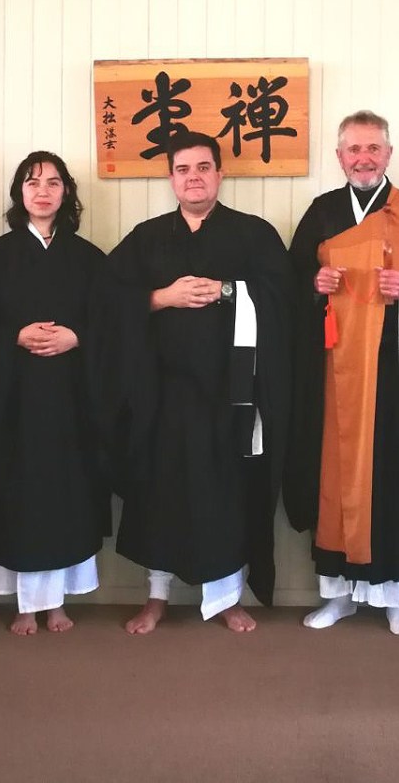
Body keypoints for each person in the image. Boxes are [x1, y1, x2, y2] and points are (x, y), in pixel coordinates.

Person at [99, 131, 291, 634]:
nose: (194, 178)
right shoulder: (147, 237)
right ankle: (156, 597)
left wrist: (228, 291)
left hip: (231, 395)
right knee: (158, 495)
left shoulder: (253, 234)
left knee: (225, 497)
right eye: (183, 169)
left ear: (220, 174)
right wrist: (160, 297)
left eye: (204, 167)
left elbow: (283, 297)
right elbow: (107, 298)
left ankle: (225, 598)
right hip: (162, 395)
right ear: (171, 178)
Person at [285, 110, 399, 636]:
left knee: (394, 480)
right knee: (334, 479)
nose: (363, 159)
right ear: (339, 157)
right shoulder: (322, 213)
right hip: (335, 375)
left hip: (396, 378)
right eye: (353, 149)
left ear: (388, 154)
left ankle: (396, 599)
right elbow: (288, 283)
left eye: (373, 149)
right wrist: (313, 284)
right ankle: (338, 595)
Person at [0, 151, 111, 635]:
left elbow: (112, 326)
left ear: (66, 192)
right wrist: (14, 336)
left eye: (52, 182)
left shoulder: (90, 259)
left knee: (67, 496)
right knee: (20, 499)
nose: (42, 191)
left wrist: (78, 337)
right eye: (32, 182)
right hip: (13, 402)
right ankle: (25, 605)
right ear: (19, 194)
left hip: (71, 399)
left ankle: (58, 603)